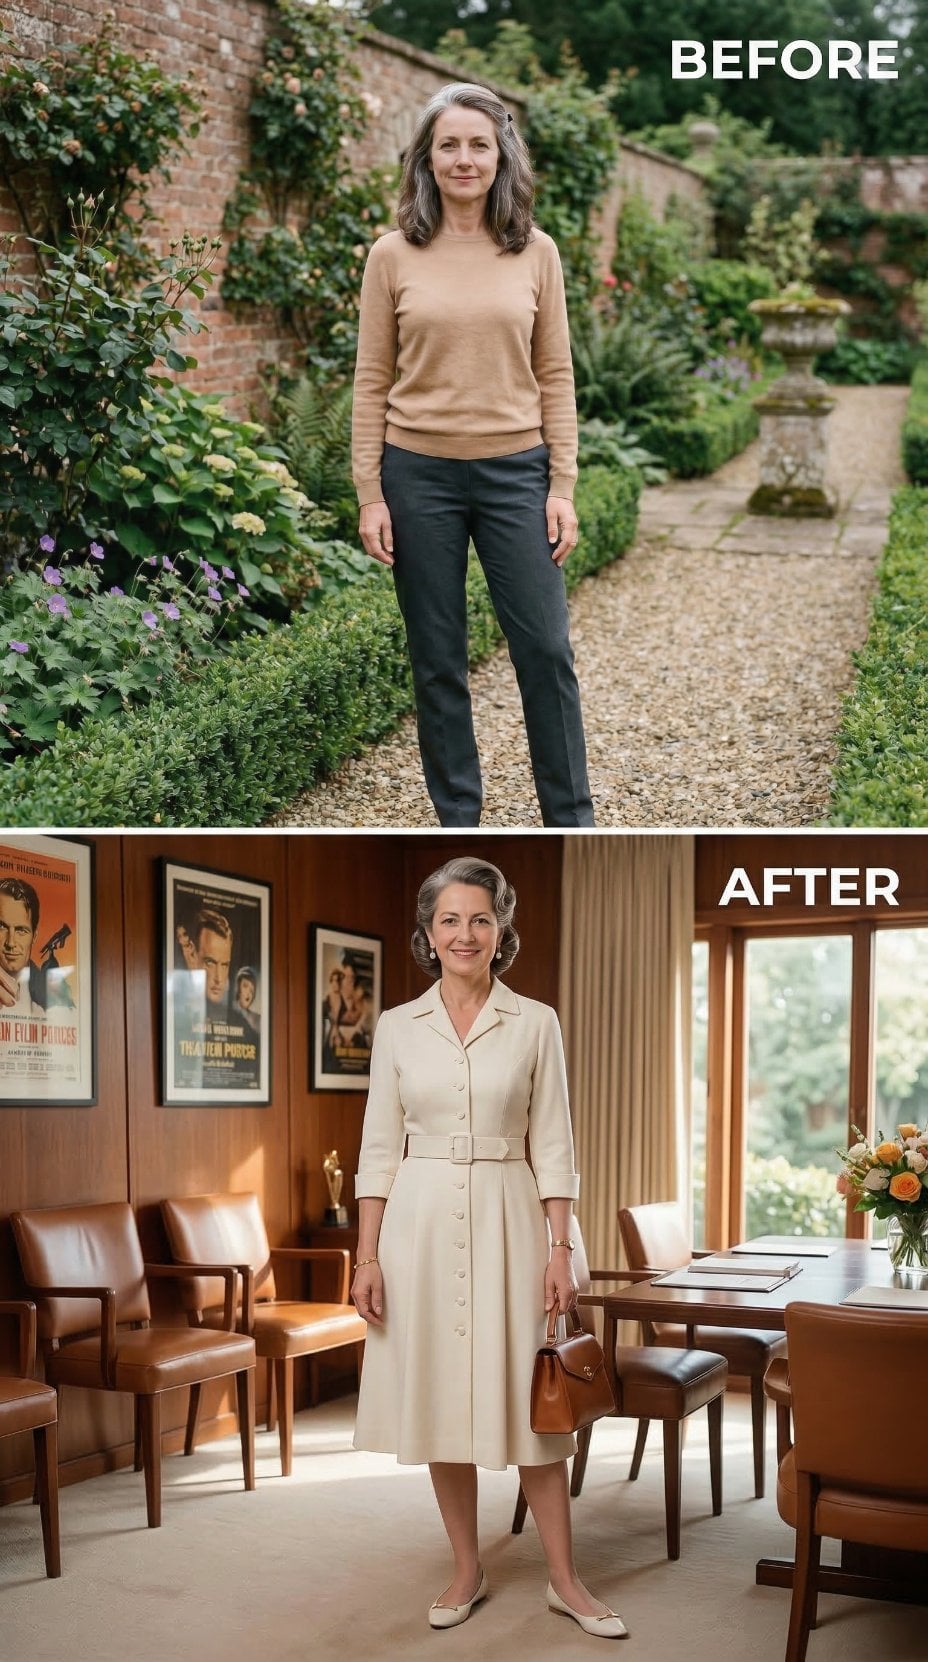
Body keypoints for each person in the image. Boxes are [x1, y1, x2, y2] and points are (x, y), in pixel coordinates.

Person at [350, 856, 625, 1638]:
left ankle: (565, 1579)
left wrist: (561, 1245)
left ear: (500, 930)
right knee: (439, 1399)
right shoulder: (398, 1028)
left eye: (479, 918)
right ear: (428, 934)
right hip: (420, 1224)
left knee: (535, 1406)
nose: (464, 933)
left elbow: (557, 1145)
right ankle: (467, 1568)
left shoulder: (536, 1021)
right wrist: (367, 1257)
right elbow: (378, 1151)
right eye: (449, 920)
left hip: (512, 1215)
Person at [352, 82, 595, 830]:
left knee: (546, 651)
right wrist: (370, 491)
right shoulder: (393, 255)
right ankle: (458, 815)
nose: (464, 158)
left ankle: (572, 820)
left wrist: (562, 483)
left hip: (516, 475)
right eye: (449, 144)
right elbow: (371, 378)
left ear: (501, 157)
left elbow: (555, 372)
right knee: (438, 659)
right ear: (427, 157)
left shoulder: (536, 252)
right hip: (416, 475)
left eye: (478, 145)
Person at [0, 878, 47, 1015]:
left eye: (21, 930)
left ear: (34, 936)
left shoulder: (53, 993)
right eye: (2, 927)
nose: (10, 943)